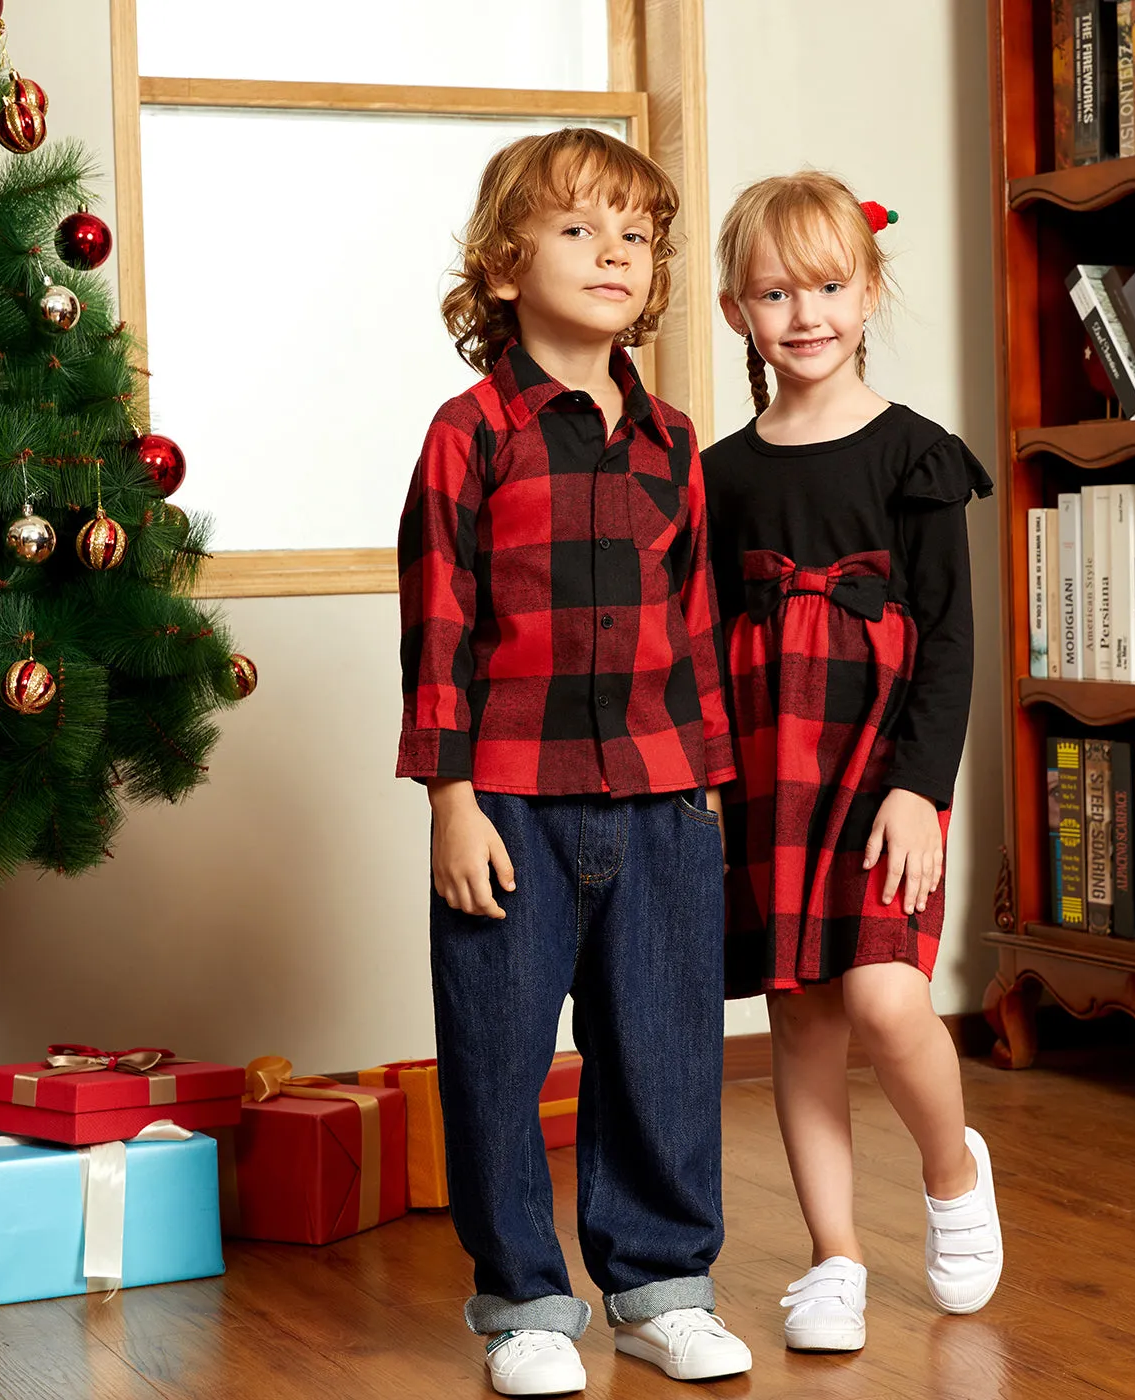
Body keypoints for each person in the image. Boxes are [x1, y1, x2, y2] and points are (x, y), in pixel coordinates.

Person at [396, 127, 752, 1396]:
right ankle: (523, 1302)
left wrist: (707, 787)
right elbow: (437, 622)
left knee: (662, 1047)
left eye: (636, 237)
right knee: (495, 1051)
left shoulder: (670, 440)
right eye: (576, 229)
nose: (614, 253)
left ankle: (660, 1284)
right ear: (502, 267)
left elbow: (693, 623)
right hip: (508, 796)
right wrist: (448, 795)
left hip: (662, 796)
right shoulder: (469, 433)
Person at [702, 171, 1003, 1353]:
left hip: (883, 779)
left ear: (868, 291)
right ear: (737, 311)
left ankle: (948, 1166)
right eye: (775, 293)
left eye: (828, 285)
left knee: (884, 996)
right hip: (771, 775)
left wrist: (921, 790)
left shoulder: (915, 458)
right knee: (802, 1019)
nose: (805, 312)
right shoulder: (720, 476)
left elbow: (950, 640)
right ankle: (834, 1255)